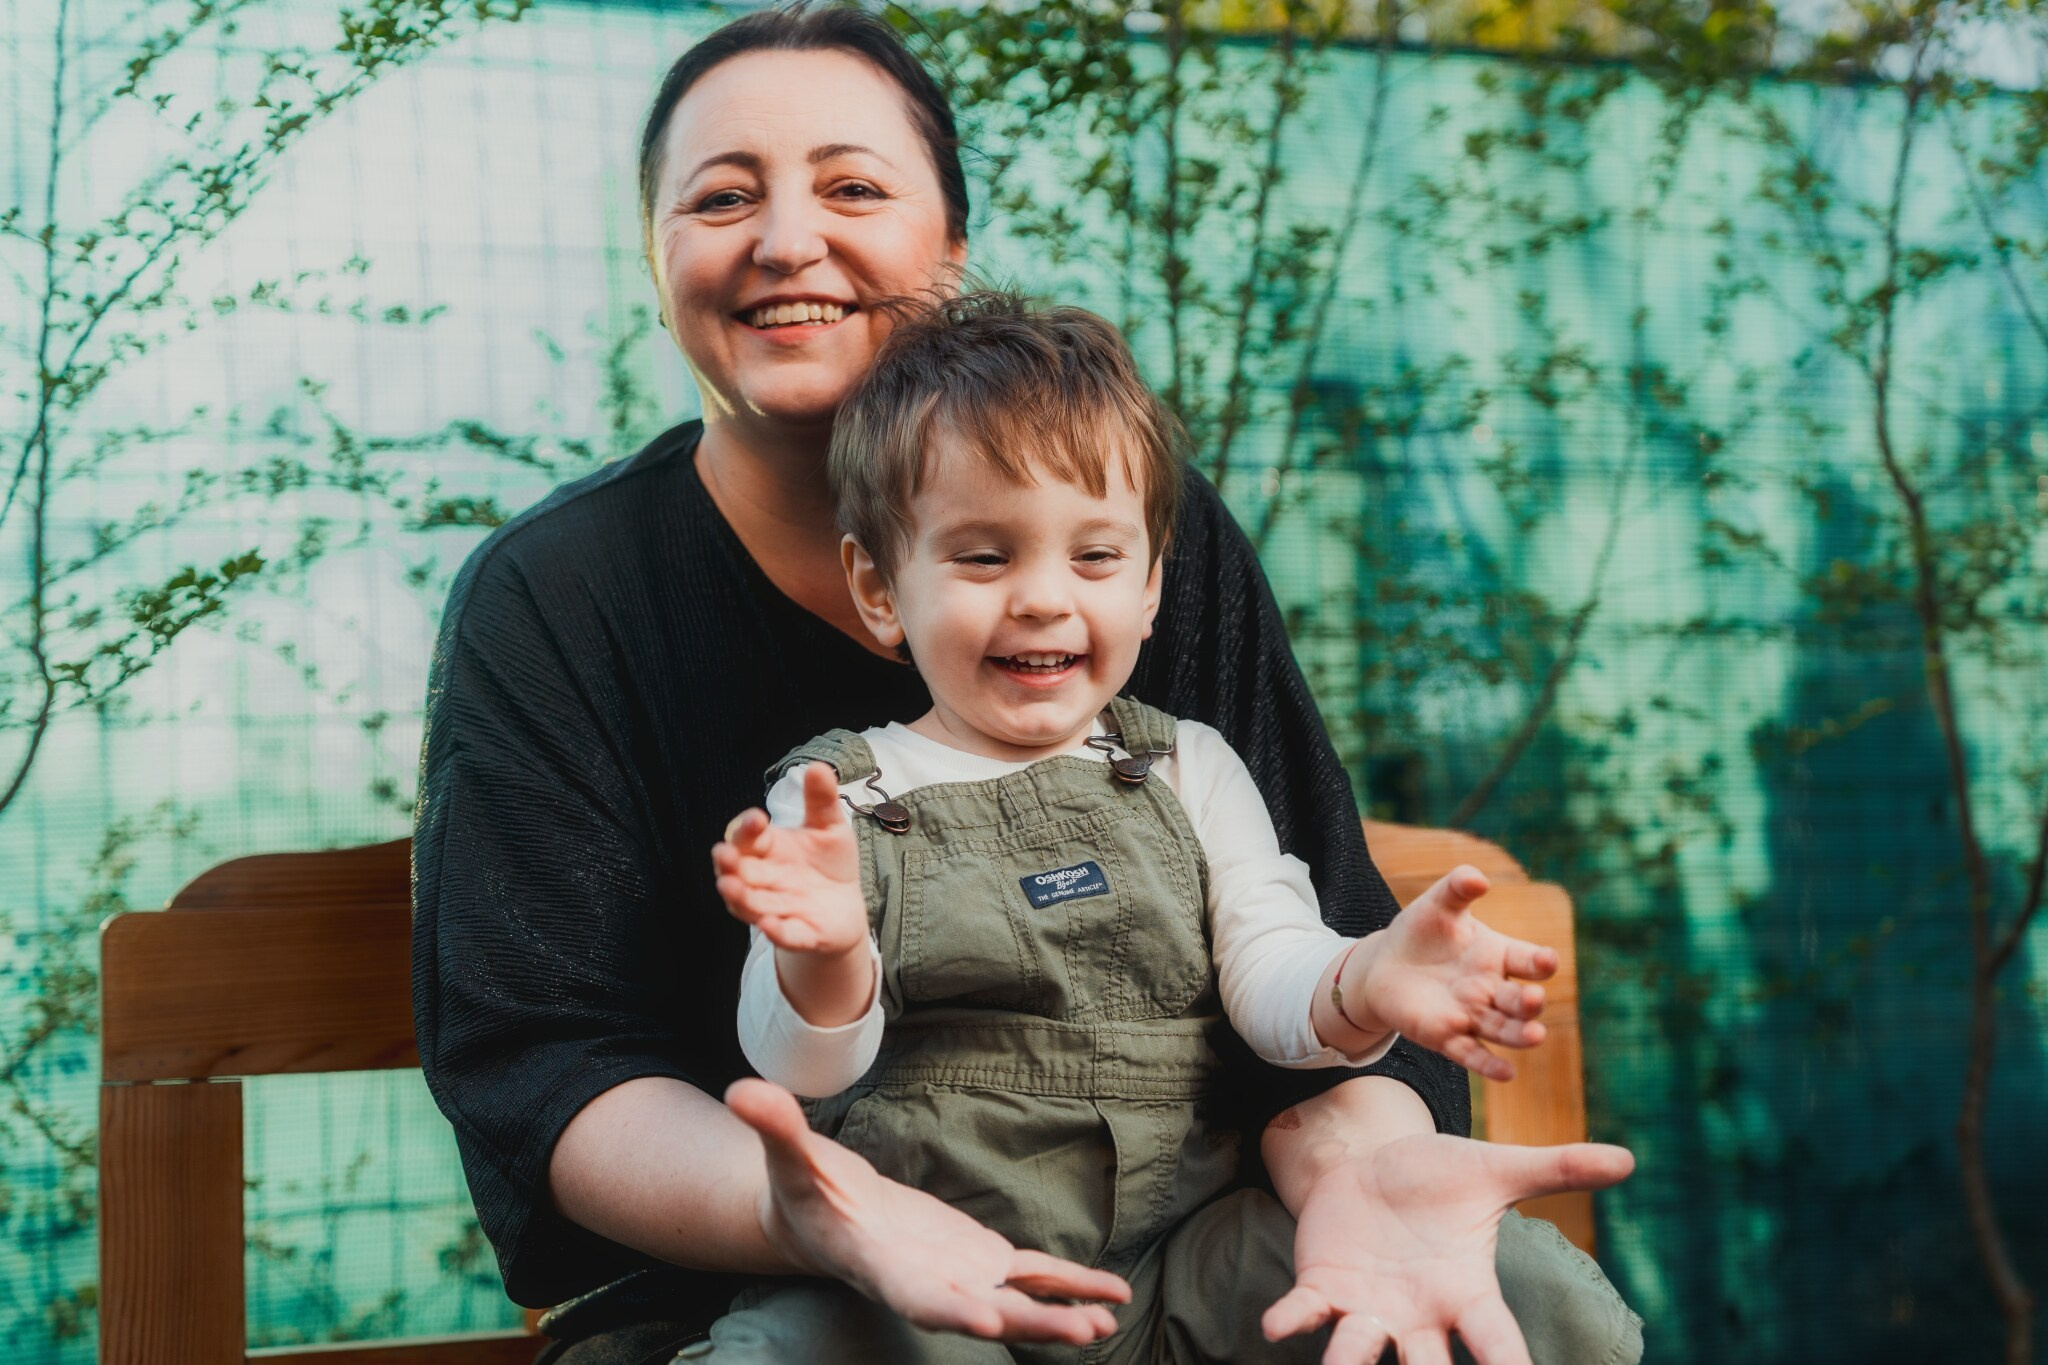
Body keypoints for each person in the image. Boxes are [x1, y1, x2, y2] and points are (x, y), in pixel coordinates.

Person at [410, 7, 1644, 1364]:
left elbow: (1311, 952)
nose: (784, 240)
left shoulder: (1135, 542)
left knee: (1516, 1313)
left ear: (948, 250)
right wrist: (835, 1211)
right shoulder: (559, 599)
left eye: (853, 187)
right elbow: (551, 1062)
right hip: (773, 1280)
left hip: (1177, 1242)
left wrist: (1360, 1166)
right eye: (719, 198)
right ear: (656, 259)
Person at [706, 291, 1616, 1364]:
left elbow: (1270, 977)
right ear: (878, 586)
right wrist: (824, 957)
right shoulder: (836, 798)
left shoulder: (1184, 767)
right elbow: (800, 1066)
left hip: (1182, 1260)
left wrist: (1364, 979)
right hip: (935, 1275)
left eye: (1092, 557)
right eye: (983, 557)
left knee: (1530, 1294)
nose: (1044, 599)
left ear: (1149, 584)